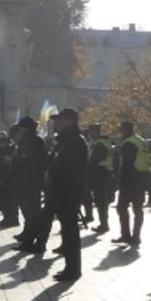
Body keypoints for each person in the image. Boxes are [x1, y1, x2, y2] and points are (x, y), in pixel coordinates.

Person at [43, 109, 88, 282]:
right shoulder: (66, 141)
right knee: (67, 229)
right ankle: (70, 267)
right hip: (62, 189)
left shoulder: (75, 142)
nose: (55, 124)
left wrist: (52, 173)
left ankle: (73, 269)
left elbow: (66, 167)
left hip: (69, 190)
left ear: (68, 121)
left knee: (70, 230)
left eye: (58, 120)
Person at [11, 118, 49, 253]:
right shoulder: (26, 141)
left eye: (20, 128)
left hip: (30, 183)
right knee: (28, 212)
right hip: (25, 182)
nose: (19, 131)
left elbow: (32, 163)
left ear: (26, 128)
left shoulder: (34, 141)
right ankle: (28, 236)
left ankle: (30, 240)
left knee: (32, 212)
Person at [113, 120, 150, 248]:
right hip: (142, 177)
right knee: (138, 209)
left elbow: (127, 164)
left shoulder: (129, 143)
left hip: (131, 178)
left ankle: (126, 235)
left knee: (121, 207)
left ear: (124, 130)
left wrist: (122, 182)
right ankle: (136, 237)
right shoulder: (140, 140)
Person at [85, 123, 115, 236]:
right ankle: (96, 219)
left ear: (97, 131)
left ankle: (104, 224)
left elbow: (94, 159)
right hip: (99, 172)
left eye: (91, 131)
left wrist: (86, 168)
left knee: (100, 198)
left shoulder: (100, 144)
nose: (89, 133)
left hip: (100, 172)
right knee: (96, 197)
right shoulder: (96, 142)